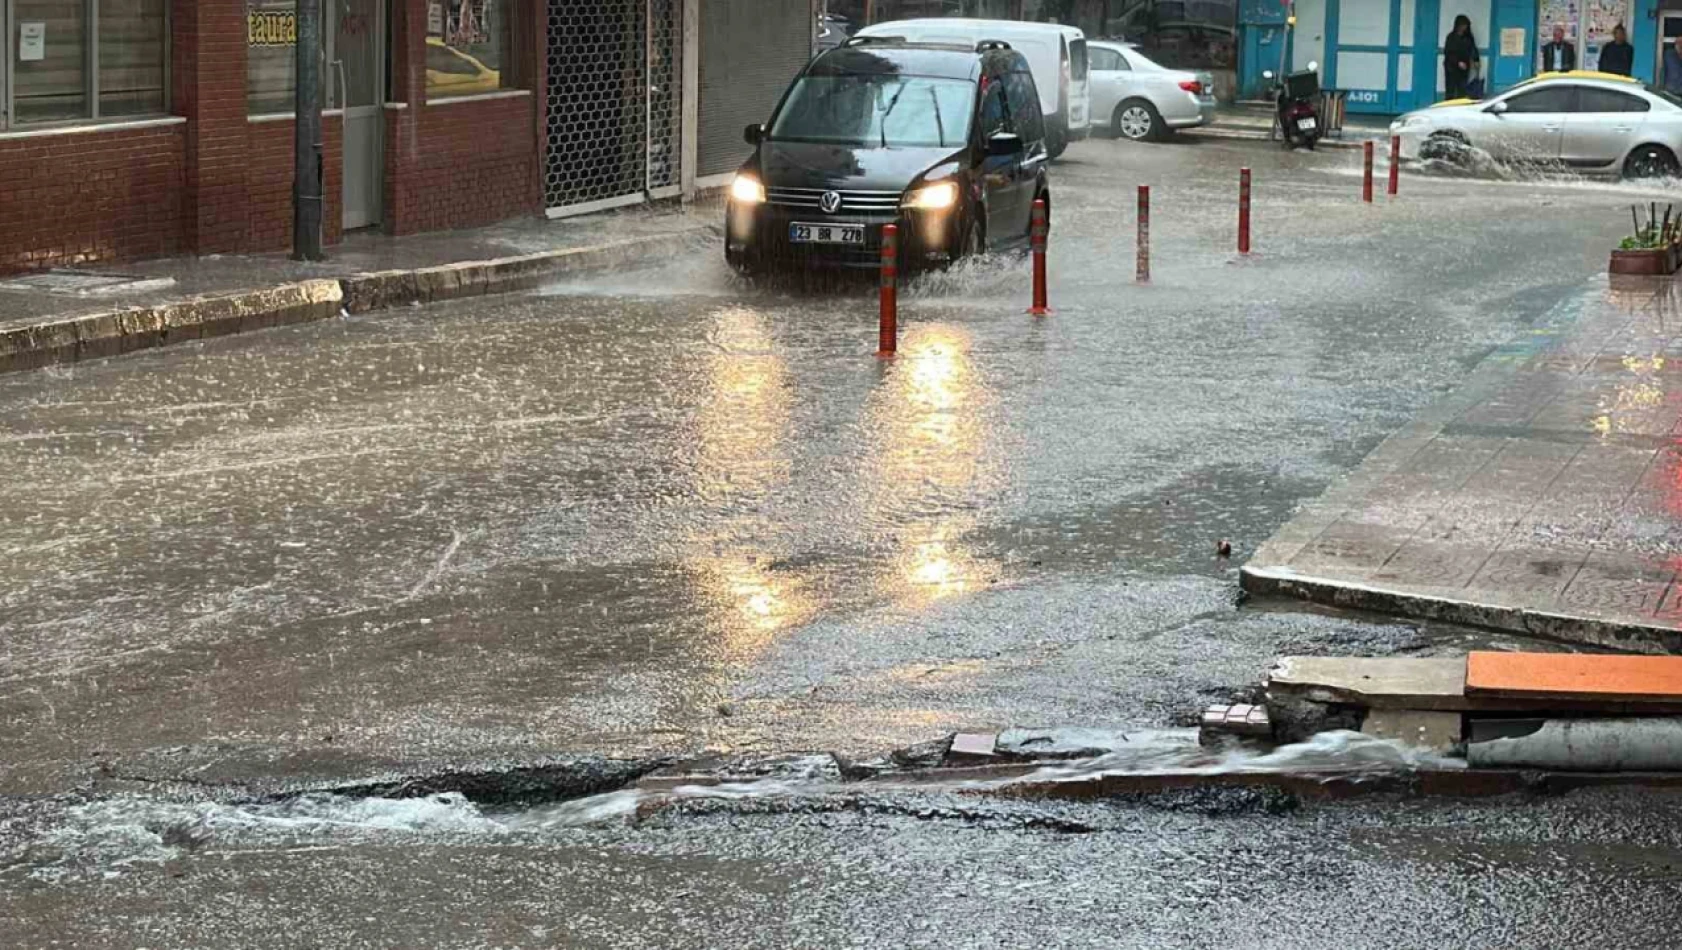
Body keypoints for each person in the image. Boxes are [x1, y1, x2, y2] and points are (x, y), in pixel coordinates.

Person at [1443, 15, 1479, 99]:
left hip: (1464, 68)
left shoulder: (1468, 37)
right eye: (1462, 25)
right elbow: (1448, 53)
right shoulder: (1451, 37)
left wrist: (1476, 60)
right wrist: (1457, 62)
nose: (1464, 27)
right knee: (1450, 90)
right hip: (1451, 68)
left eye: (1465, 25)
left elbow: (1473, 49)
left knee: (1462, 89)